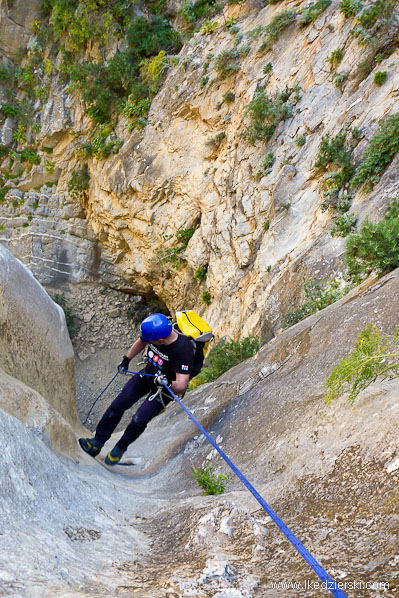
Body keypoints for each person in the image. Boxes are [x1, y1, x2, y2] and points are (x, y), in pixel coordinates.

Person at [79, 313, 194, 465]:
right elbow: (141, 341)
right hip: (148, 375)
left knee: (139, 419)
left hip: (164, 389)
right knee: (119, 404)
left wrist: (167, 383)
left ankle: (120, 448)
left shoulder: (183, 350)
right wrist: (126, 360)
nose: (148, 342)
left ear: (160, 340)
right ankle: (96, 442)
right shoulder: (156, 334)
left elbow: (182, 384)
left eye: (151, 341)